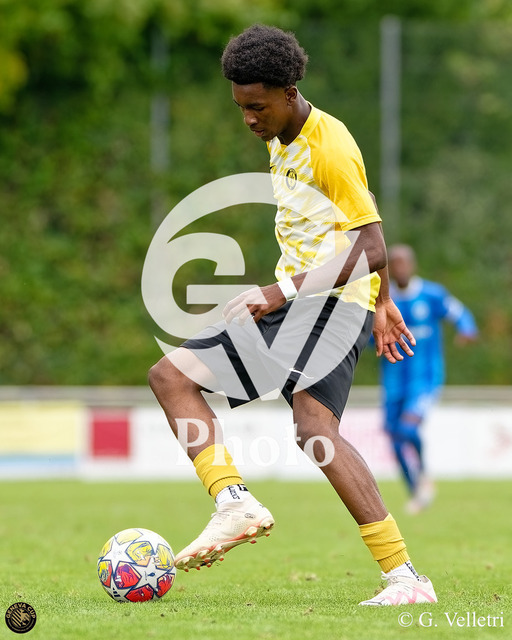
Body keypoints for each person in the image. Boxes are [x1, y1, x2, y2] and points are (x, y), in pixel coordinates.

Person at [148, 24, 437, 606]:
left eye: (257, 107)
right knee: (186, 382)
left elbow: (373, 245)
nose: (248, 119)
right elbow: (362, 218)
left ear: (289, 92)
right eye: (240, 107)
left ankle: (402, 576)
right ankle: (239, 504)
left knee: (302, 426)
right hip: (317, 302)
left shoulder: (329, 146)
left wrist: (282, 292)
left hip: (326, 306)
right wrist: (383, 302)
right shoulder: (282, 136)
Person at [381, 244, 478, 513]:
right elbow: (368, 336)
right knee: (394, 438)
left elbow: (458, 312)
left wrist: (467, 328)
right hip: (393, 380)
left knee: (408, 429)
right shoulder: (383, 301)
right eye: (394, 264)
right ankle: (416, 491)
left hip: (425, 379)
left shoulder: (432, 295)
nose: (399, 268)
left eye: (403, 263)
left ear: (412, 265)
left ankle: (423, 476)